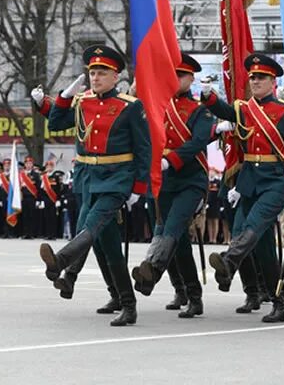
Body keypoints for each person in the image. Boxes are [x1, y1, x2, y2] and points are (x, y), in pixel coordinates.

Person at [40, 44, 151, 327]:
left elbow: (143, 149)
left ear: (116, 77)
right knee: (109, 246)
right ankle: (126, 303)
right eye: (92, 72)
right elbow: (54, 124)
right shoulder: (82, 102)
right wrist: (64, 97)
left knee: (90, 227)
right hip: (87, 178)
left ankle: (61, 261)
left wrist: (138, 188)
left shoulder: (130, 106)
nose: (95, 78)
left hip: (116, 179)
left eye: (102, 73)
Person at [202, 53, 284, 323]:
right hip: (250, 180)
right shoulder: (244, 109)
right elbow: (224, 111)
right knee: (252, 241)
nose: (256, 81)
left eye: (261, 77)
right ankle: (276, 300)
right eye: (252, 77)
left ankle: (228, 263)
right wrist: (208, 95)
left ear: (273, 81)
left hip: (277, 181)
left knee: (253, 225)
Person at [130, 53, 219, 319]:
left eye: (180, 75)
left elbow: (197, 142)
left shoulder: (200, 111)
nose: (175, 80)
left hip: (190, 179)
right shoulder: (158, 105)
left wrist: (172, 159)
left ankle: (152, 269)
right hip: (162, 179)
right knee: (177, 238)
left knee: (171, 227)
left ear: (191, 79)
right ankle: (186, 292)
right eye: (171, 75)